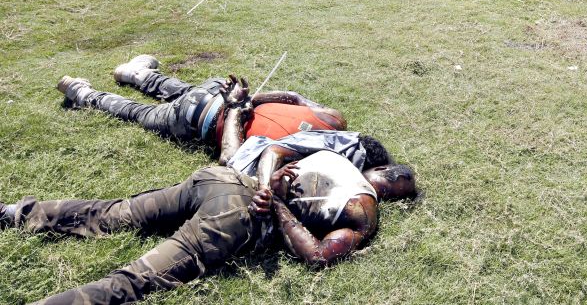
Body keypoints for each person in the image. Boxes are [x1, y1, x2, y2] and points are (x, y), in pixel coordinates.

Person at [0, 95, 417, 304]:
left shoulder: (330, 154)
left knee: (114, 213)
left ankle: (18, 213)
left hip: (219, 178)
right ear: (386, 188)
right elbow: (320, 255)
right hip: (235, 216)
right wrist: (275, 203)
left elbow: (272, 151)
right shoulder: (364, 211)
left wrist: (267, 185)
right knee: (136, 278)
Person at [57, 56, 347, 165]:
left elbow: (293, 97)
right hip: (201, 117)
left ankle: (134, 75)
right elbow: (230, 157)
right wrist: (239, 106)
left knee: (183, 91)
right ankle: (84, 93)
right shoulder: (294, 160)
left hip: (210, 100)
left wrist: (242, 102)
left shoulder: (332, 122)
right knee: (138, 112)